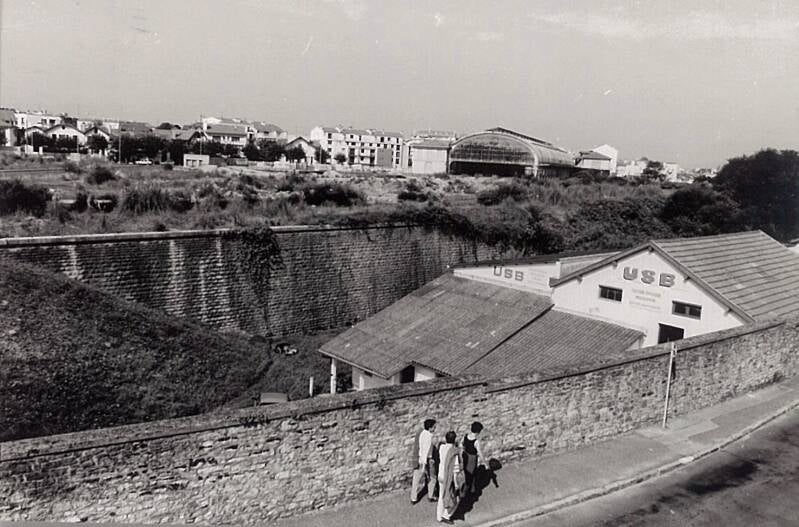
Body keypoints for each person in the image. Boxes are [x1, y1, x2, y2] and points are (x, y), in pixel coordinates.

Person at [436, 431, 463, 524]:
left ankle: (439, 516)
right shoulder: (454, 452)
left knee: (441, 496)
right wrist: (456, 484)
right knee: (455, 499)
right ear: (454, 440)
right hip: (448, 477)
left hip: (440, 475)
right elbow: (455, 470)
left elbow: (442, 443)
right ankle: (446, 515)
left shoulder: (442, 448)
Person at [411, 418, 437, 503]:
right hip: (426, 460)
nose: (435, 428)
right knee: (432, 478)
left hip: (420, 458)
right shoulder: (429, 437)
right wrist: (425, 464)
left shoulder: (422, 433)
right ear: (430, 428)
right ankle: (431, 495)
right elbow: (426, 451)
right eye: (434, 427)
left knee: (416, 480)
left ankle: (413, 498)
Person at [462, 421, 486, 495]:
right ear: (478, 432)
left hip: (466, 457)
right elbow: (480, 453)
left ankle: (472, 489)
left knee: (469, 473)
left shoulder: (465, 436)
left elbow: (462, 444)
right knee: (471, 475)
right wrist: (485, 463)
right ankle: (464, 493)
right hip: (472, 459)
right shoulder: (476, 442)